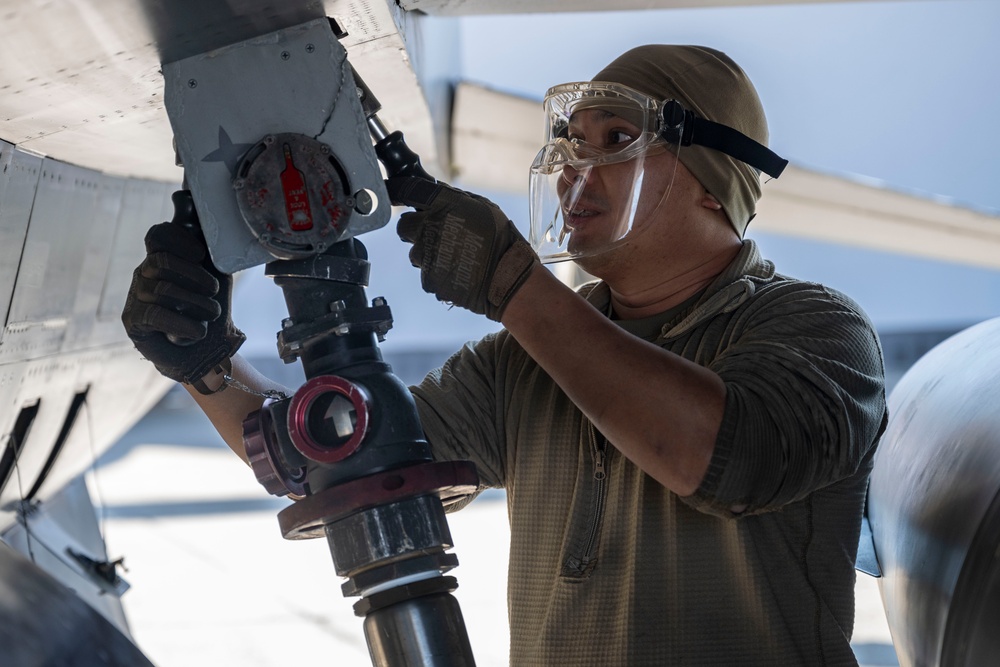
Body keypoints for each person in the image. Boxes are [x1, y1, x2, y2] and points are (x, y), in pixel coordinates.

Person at [123, 45, 887, 665]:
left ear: (714, 184)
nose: (571, 171)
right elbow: (340, 458)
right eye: (569, 143)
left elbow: (722, 456)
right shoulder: (521, 363)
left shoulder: (815, 330)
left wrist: (516, 286)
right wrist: (204, 365)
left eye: (616, 140)